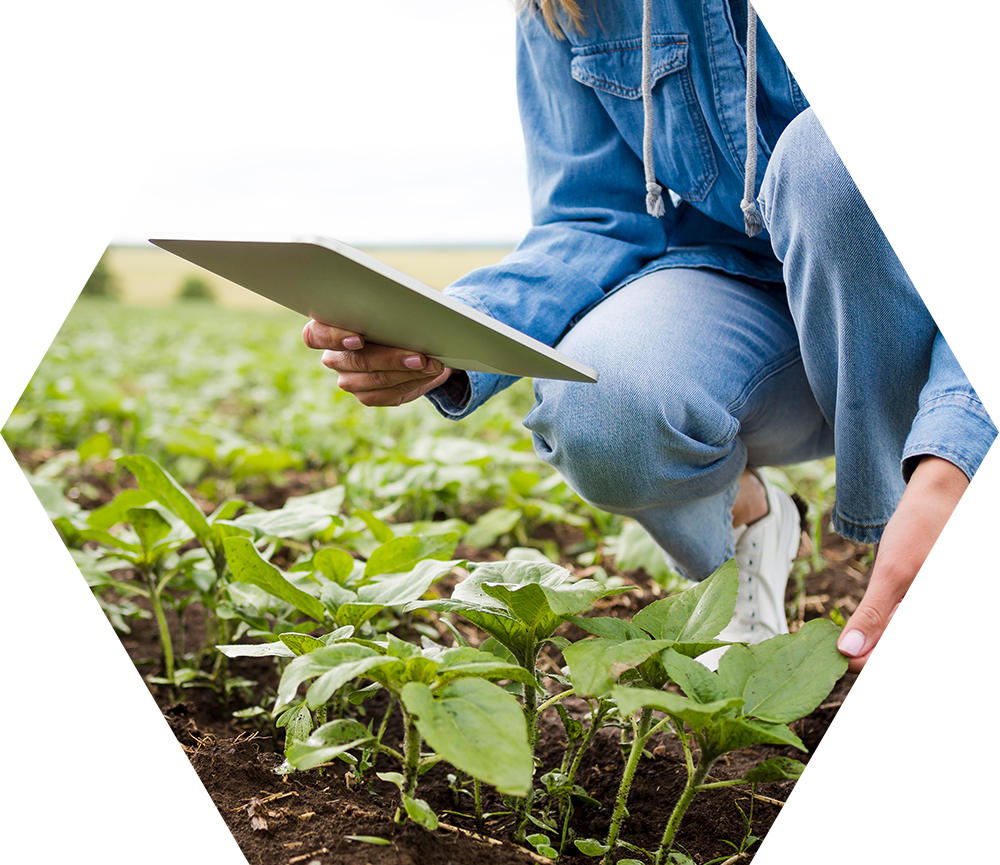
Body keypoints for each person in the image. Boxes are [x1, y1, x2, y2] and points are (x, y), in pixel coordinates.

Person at [303, 0, 998, 779]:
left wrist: (943, 480)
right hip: (736, 307)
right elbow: (589, 218)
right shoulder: (565, 6)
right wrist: (453, 331)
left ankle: (906, 604)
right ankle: (744, 534)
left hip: (915, 300)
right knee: (598, 404)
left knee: (841, 155)